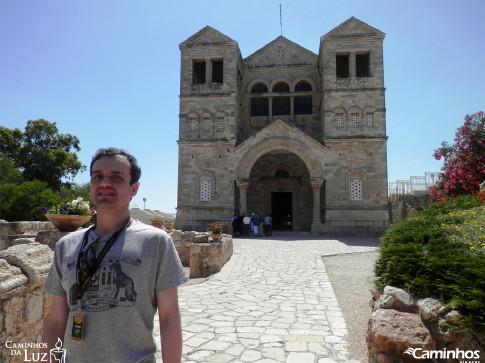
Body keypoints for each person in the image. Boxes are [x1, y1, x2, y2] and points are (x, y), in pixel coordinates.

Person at [41, 148, 188, 363]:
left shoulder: (155, 242)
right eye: (97, 177)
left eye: (117, 177)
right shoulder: (67, 245)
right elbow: (55, 320)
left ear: (133, 189)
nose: (105, 183)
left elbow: (169, 317)